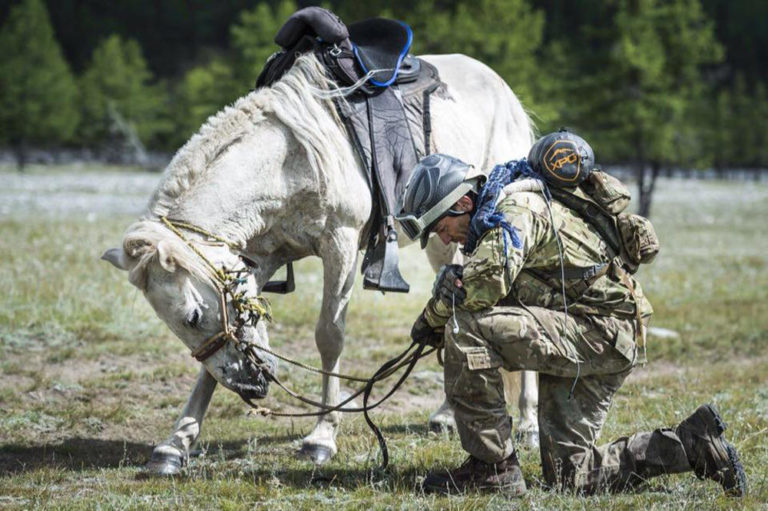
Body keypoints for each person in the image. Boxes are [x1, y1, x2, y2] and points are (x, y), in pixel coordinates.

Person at [395, 131, 746, 497]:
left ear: (464, 202)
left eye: (441, 228)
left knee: (465, 327)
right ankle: (692, 444)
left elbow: (481, 288)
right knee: (572, 478)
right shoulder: (494, 216)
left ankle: (492, 468)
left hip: (598, 332)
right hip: (596, 332)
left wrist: (431, 319)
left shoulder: (515, 213)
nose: (446, 241)